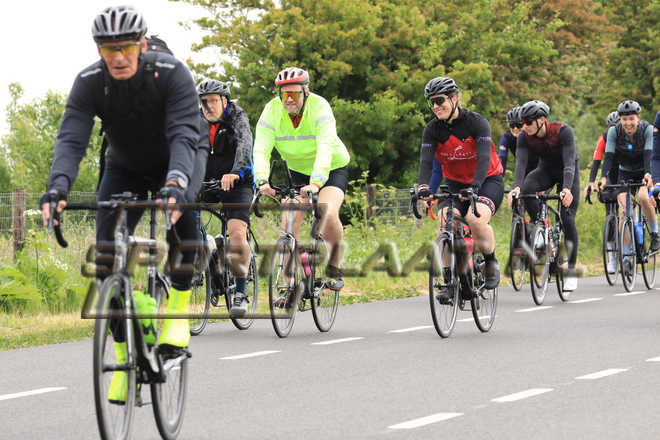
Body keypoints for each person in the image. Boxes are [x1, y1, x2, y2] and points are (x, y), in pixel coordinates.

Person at [39, 6, 208, 403]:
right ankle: (122, 358)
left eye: (126, 47)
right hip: (126, 165)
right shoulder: (89, 82)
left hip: (178, 158)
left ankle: (178, 310)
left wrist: (175, 183)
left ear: (142, 45)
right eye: (107, 49)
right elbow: (72, 138)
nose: (117, 57)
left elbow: (184, 134)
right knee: (105, 261)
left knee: (184, 216)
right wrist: (57, 188)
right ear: (98, 50)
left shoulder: (172, 74)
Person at [253, 67, 350, 291]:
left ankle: (335, 264)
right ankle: (289, 286)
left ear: (305, 92)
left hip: (331, 168)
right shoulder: (271, 111)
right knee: (288, 222)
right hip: (297, 171)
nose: (288, 99)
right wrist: (262, 180)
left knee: (327, 212)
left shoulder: (320, 106)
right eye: (284, 94)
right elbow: (261, 149)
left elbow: (325, 146)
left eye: (294, 94)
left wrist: (316, 183)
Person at [416, 76, 504, 302]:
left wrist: (475, 186)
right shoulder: (432, 129)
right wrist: (423, 187)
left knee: (476, 220)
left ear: (454, 98)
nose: (436, 106)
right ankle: (449, 282)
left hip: (487, 180)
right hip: (455, 184)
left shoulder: (477, 123)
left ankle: (490, 261)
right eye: (431, 102)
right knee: (446, 221)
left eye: (440, 100)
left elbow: (483, 157)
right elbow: (426, 162)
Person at [507, 100, 580, 291]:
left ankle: (571, 270)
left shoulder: (563, 131)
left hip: (568, 173)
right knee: (527, 190)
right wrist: (516, 188)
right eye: (522, 123)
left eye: (528, 122)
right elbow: (521, 164)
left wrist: (566, 189)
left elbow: (569, 163)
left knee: (567, 217)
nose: (524, 126)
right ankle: (539, 227)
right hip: (546, 170)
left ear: (541, 120)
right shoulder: (524, 137)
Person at [197, 79, 254, 316]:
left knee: (237, 234)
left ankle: (241, 292)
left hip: (237, 182)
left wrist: (235, 171)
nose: (208, 106)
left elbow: (244, 145)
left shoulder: (237, 117)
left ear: (225, 101)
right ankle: (210, 250)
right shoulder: (195, 120)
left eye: (213, 100)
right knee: (186, 222)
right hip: (207, 181)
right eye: (204, 101)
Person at [599, 100, 660, 264]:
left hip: (644, 171)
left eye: (631, 119)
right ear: (620, 119)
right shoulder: (614, 131)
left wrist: (648, 174)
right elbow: (608, 157)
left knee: (643, 197)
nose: (628, 123)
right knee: (624, 211)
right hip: (625, 173)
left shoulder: (647, 129)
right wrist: (603, 178)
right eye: (624, 119)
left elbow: (649, 154)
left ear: (638, 118)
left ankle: (655, 233)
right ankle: (626, 257)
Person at [584, 111, 620, 274]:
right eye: (611, 127)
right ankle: (612, 257)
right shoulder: (604, 138)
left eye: (616, 127)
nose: (613, 131)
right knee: (610, 213)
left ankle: (632, 242)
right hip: (611, 175)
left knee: (628, 207)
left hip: (628, 173)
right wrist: (591, 182)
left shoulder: (628, 137)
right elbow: (596, 161)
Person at [498, 106, 539, 174]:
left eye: (519, 125)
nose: (515, 128)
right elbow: (502, 159)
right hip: (524, 170)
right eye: (512, 125)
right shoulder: (506, 137)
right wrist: (499, 176)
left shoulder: (534, 135)